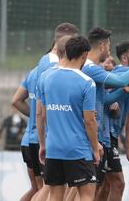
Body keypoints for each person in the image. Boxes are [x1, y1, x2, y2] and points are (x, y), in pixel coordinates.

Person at [81, 27, 129, 201]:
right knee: (85, 190)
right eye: (108, 45)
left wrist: (123, 91)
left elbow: (104, 99)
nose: (109, 50)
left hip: (101, 136)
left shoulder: (92, 69)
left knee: (102, 186)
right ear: (103, 45)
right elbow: (121, 80)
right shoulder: (91, 68)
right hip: (94, 137)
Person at [38, 36, 101, 201]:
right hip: (77, 150)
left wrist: (44, 145)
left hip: (53, 148)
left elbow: (44, 115)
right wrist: (95, 147)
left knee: (55, 197)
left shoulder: (45, 77)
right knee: (86, 195)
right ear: (84, 56)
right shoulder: (87, 82)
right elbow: (89, 121)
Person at [33, 23, 79, 201]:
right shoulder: (53, 66)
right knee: (49, 189)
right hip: (52, 136)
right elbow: (40, 111)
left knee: (49, 188)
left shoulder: (43, 62)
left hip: (48, 136)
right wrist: (43, 141)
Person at [12, 68, 40, 201]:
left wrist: (34, 116)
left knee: (36, 189)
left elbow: (16, 100)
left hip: (27, 141)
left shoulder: (33, 73)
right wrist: (37, 117)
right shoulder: (53, 72)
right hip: (40, 141)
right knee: (46, 189)